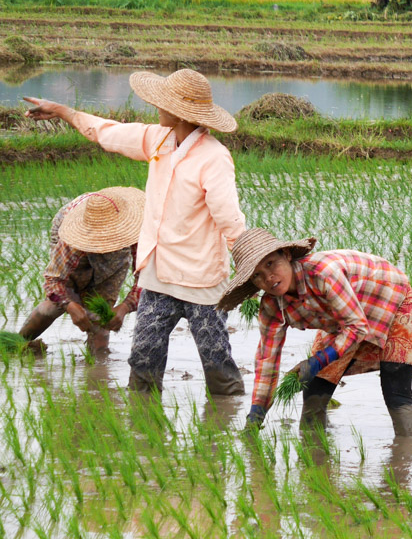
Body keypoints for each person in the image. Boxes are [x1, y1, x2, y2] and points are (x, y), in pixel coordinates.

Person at [24, 69, 246, 396]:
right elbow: (108, 132)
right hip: (158, 278)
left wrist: (251, 265)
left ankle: (228, 424)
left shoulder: (214, 158)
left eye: (163, 102)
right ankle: (143, 436)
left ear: (180, 112)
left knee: (217, 364)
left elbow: (229, 219)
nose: (156, 106)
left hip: (201, 280)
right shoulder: (158, 139)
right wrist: (62, 111)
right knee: (143, 361)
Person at [218, 228, 412, 437]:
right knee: (315, 390)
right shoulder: (271, 307)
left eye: (271, 264)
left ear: (286, 255)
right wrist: (256, 415)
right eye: (257, 275)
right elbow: (267, 361)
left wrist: (316, 361)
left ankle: (406, 457)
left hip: (390, 298)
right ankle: (316, 453)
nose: (268, 278)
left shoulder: (323, 273)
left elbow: (356, 327)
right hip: (344, 318)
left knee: (396, 391)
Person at [17, 188, 145, 352]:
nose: (103, 246)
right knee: (58, 302)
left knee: (102, 308)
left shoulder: (135, 230)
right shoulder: (72, 236)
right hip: (70, 224)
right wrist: (69, 305)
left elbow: (146, 279)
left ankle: (97, 363)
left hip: (121, 236)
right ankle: (17, 344)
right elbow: (53, 281)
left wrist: (125, 307)